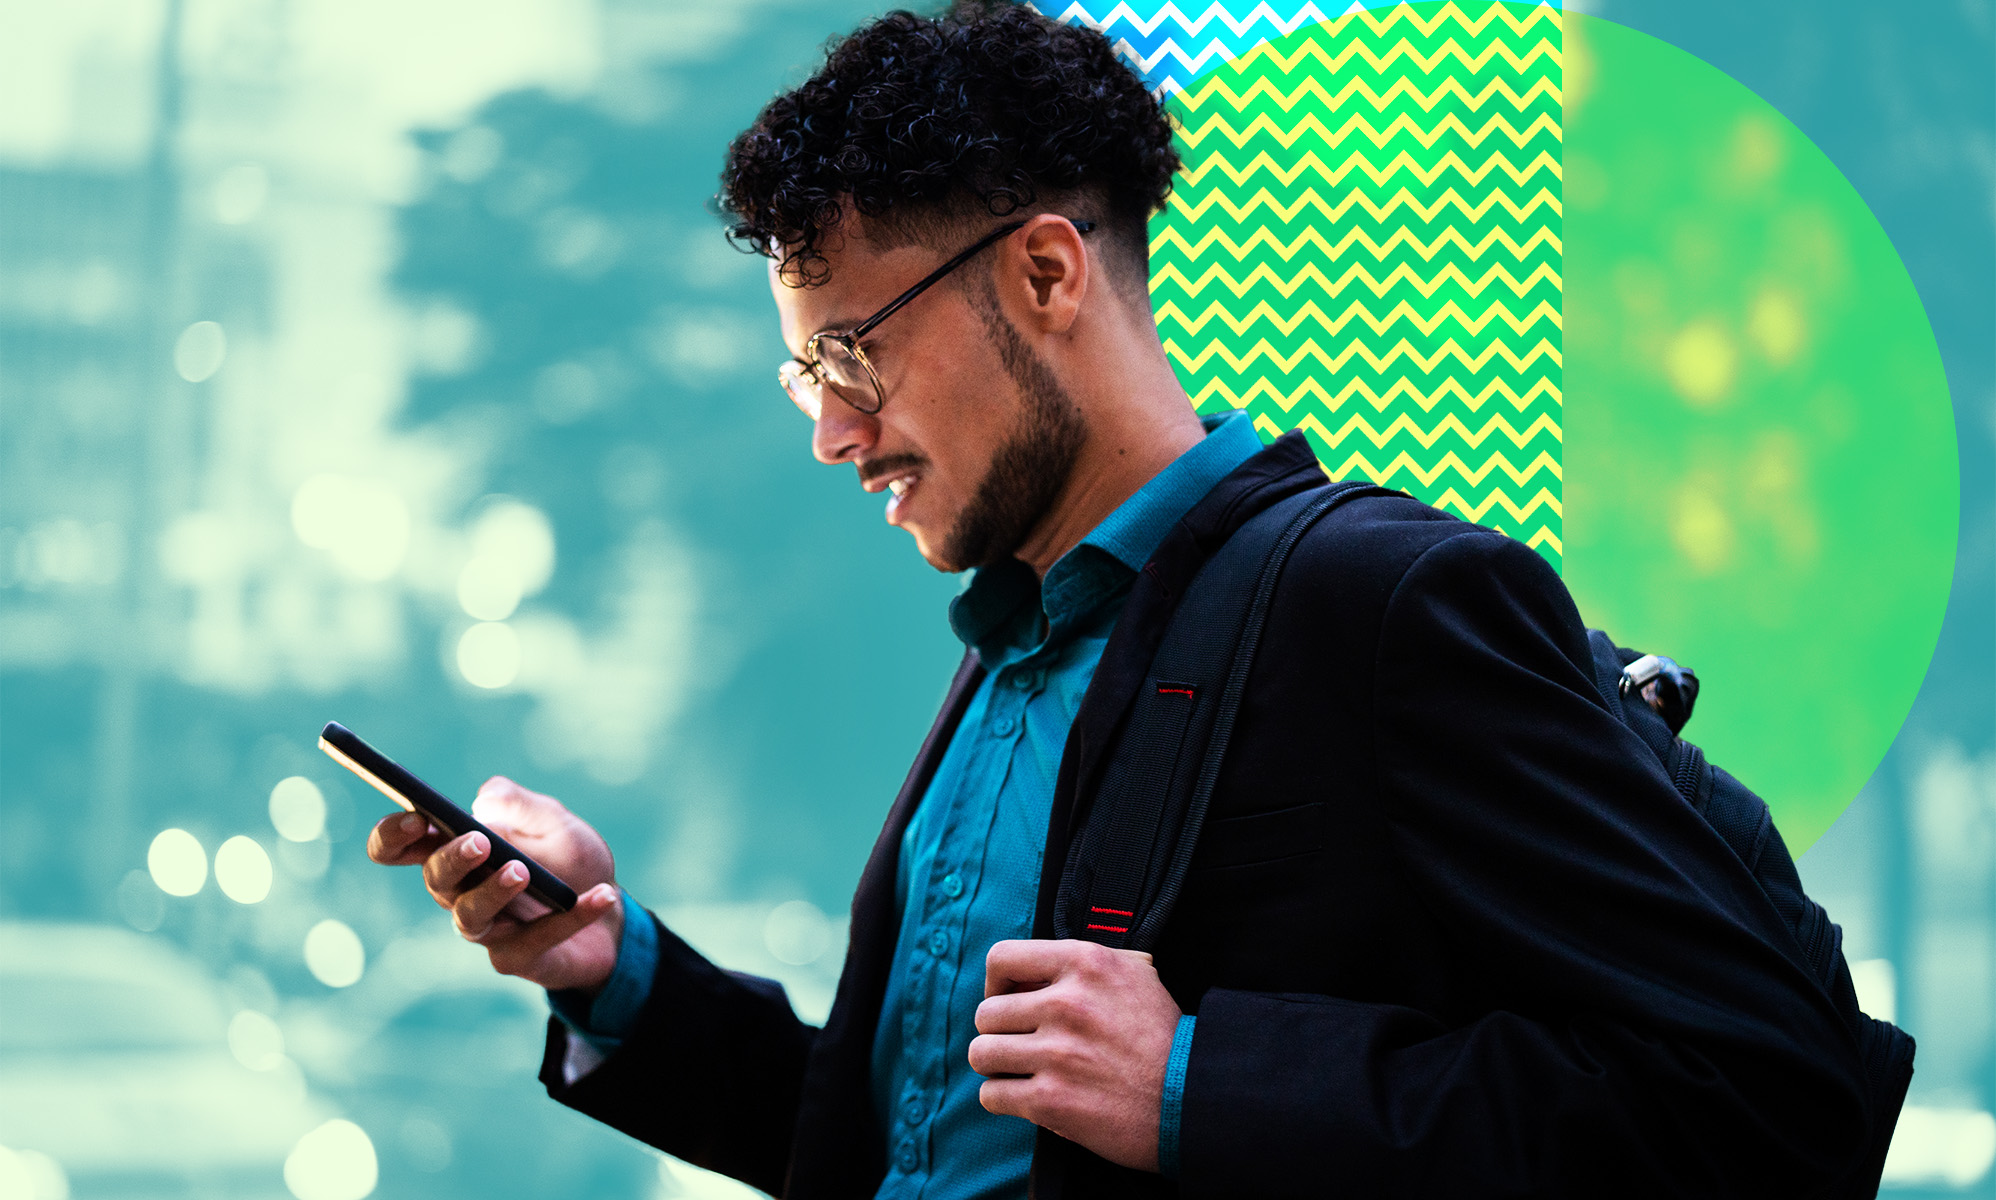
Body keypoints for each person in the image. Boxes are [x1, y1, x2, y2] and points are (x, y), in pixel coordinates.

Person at [366, 4, 1878, 1197]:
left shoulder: (1388, 603)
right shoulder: (1015, 651)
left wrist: (1198, 1086)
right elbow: (913, 1149)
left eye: (853, 358)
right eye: (803, 373)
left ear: (1041, 275)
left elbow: (1767, 1099)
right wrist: (614, 971)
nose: (832, 430)